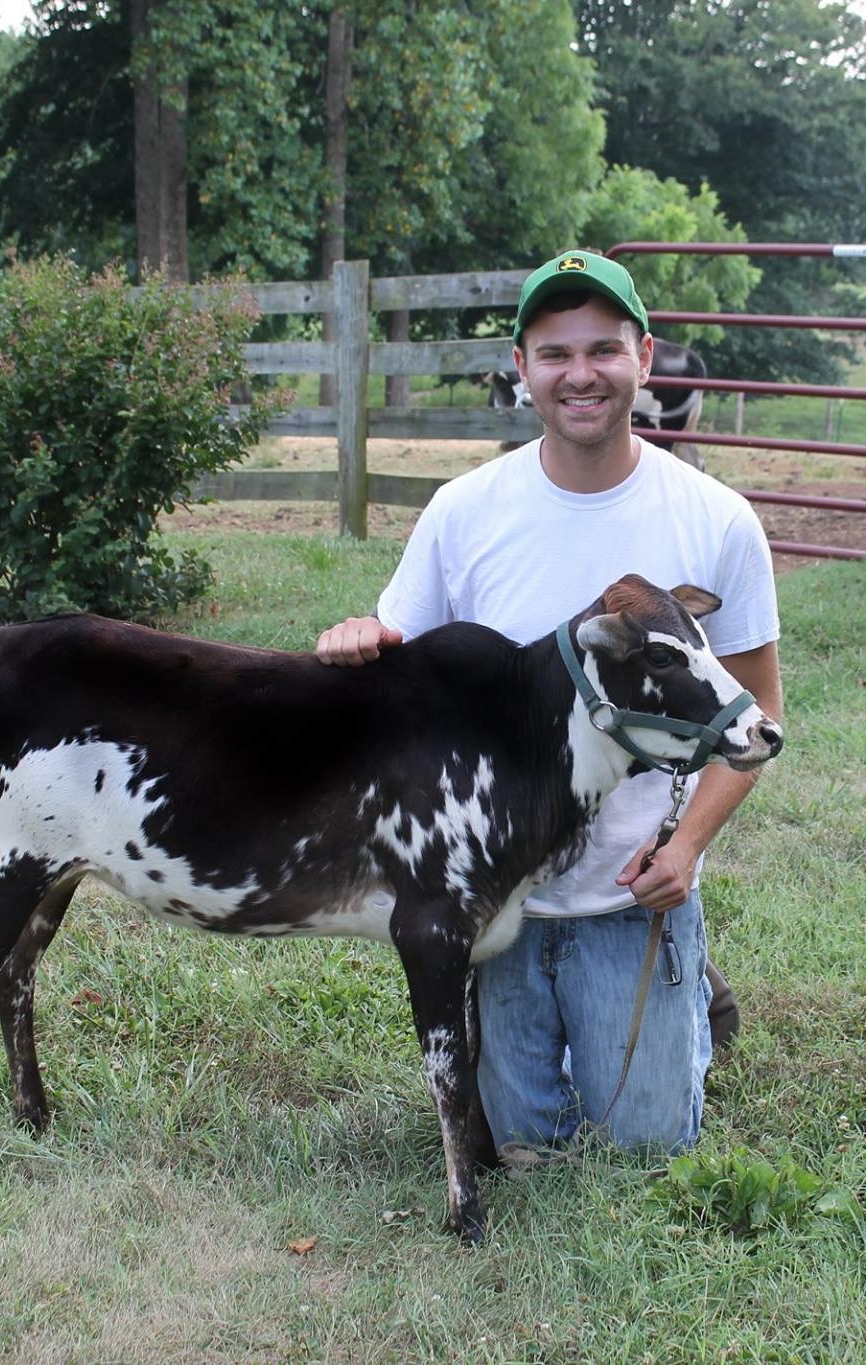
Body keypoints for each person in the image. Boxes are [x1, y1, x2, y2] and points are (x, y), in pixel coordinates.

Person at [315, 250, 780, 1152]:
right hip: (499, 898)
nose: (581, 374)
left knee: (643, 1148)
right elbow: (400, 662)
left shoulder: (716, 519)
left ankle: (685, 986)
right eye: (555, 352)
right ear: (521, 367)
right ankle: (597, 1021)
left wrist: (685, 848)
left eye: (603, 349)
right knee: (525, 1142)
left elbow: (756, 707)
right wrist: (356, 641)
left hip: (628, 897)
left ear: (645, 356)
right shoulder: (465, 511)